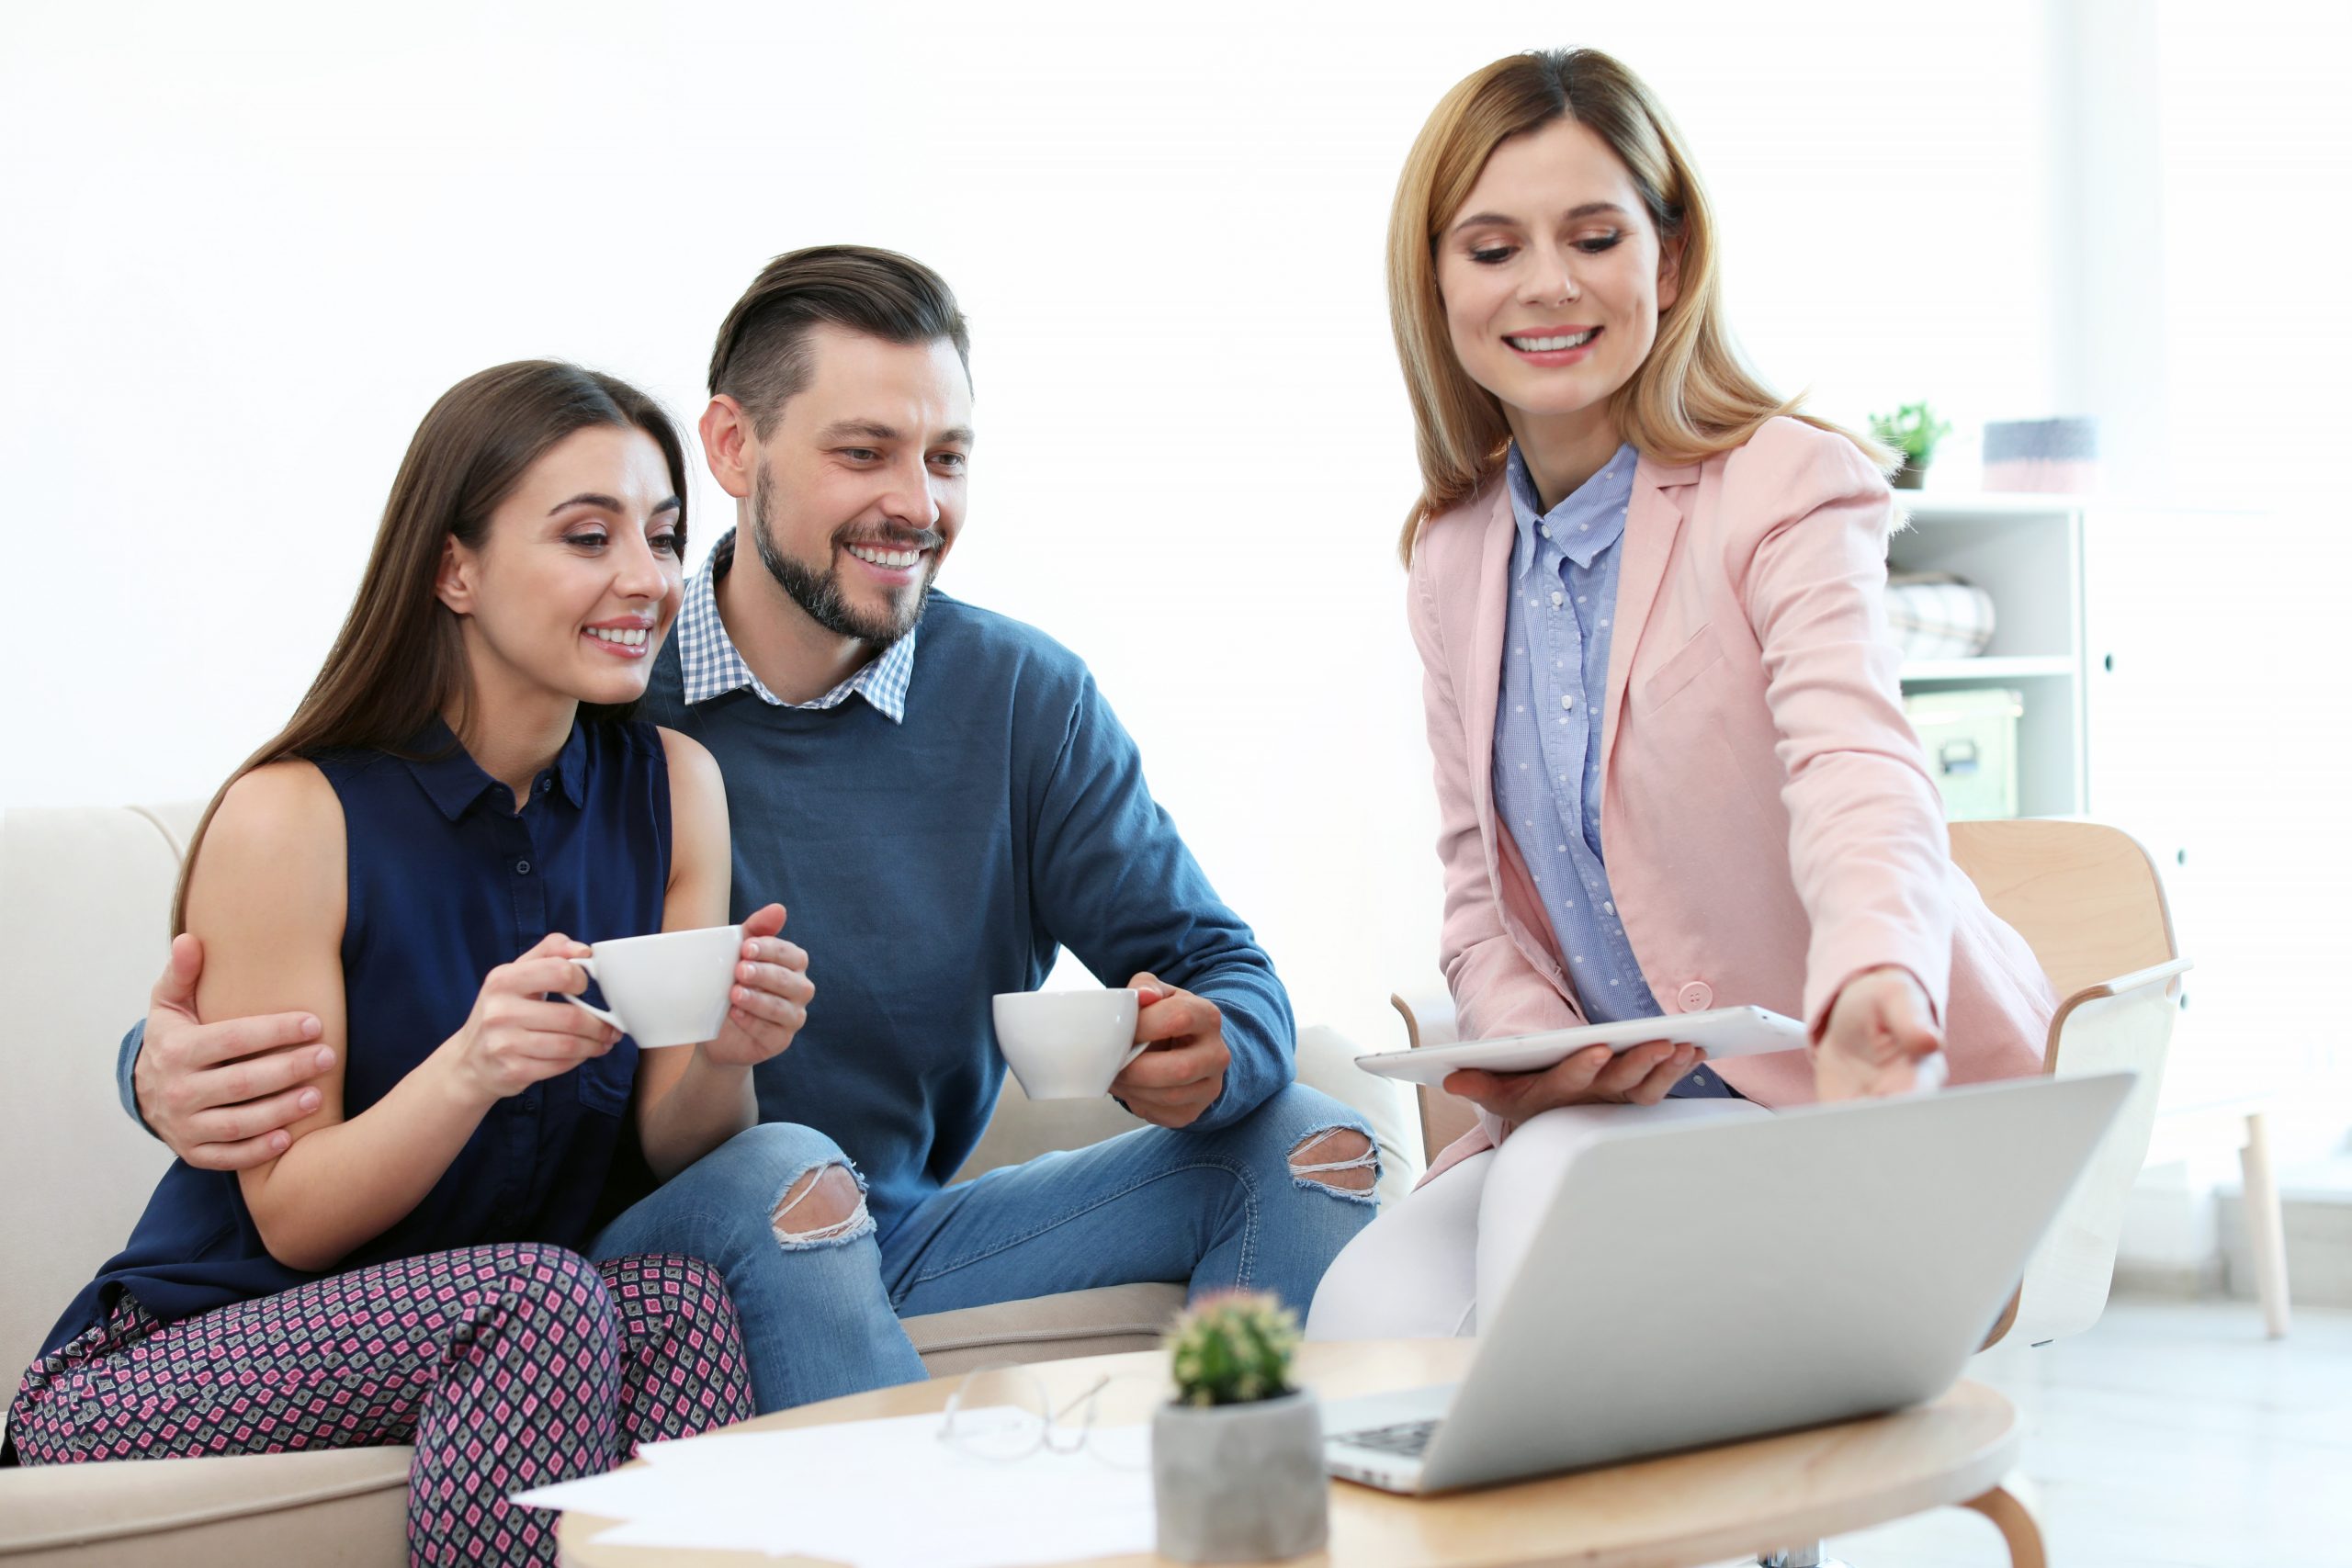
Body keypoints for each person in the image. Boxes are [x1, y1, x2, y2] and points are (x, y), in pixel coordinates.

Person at [115, 247, 1380, 1414]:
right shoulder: (595, 681)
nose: (916, 504)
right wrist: (151, 1069)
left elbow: (1225, 966)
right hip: (667, 1242)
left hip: (891, 1228)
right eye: (865, 451)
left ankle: (1240, 1513)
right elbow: (392, 876)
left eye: (947, 459)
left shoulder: (1018, 702)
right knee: (785, 1163)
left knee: (1330, 1137)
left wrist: (1226, 1052)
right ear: (733, 444)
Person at [1305, 49, 2054, 1340]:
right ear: (1435, 283)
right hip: (1617, 1115)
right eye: (1491, 248)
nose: (1546, 283)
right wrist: (1545, 1060)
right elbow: (1482, 905)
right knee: (1365, 1316)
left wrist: (1877, 978)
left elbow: (1857, 774)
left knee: (1550, 1239)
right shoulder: (1454, 554)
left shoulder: (1787, 486)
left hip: (1828, 1099)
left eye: (1592, 236)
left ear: (1668, 256)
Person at [10, 362, 811, 1565]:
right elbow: (289, 1224)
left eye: (660, 536)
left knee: (683, 1306)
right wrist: (469, 1071)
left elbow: (671, 1145)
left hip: (499, 1326)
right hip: (177, 1358)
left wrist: (727, 1053)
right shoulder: (295, 818)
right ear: (456, 571)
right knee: (535, 1296)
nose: (646, 579)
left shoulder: (676, 789)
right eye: (588, 536)